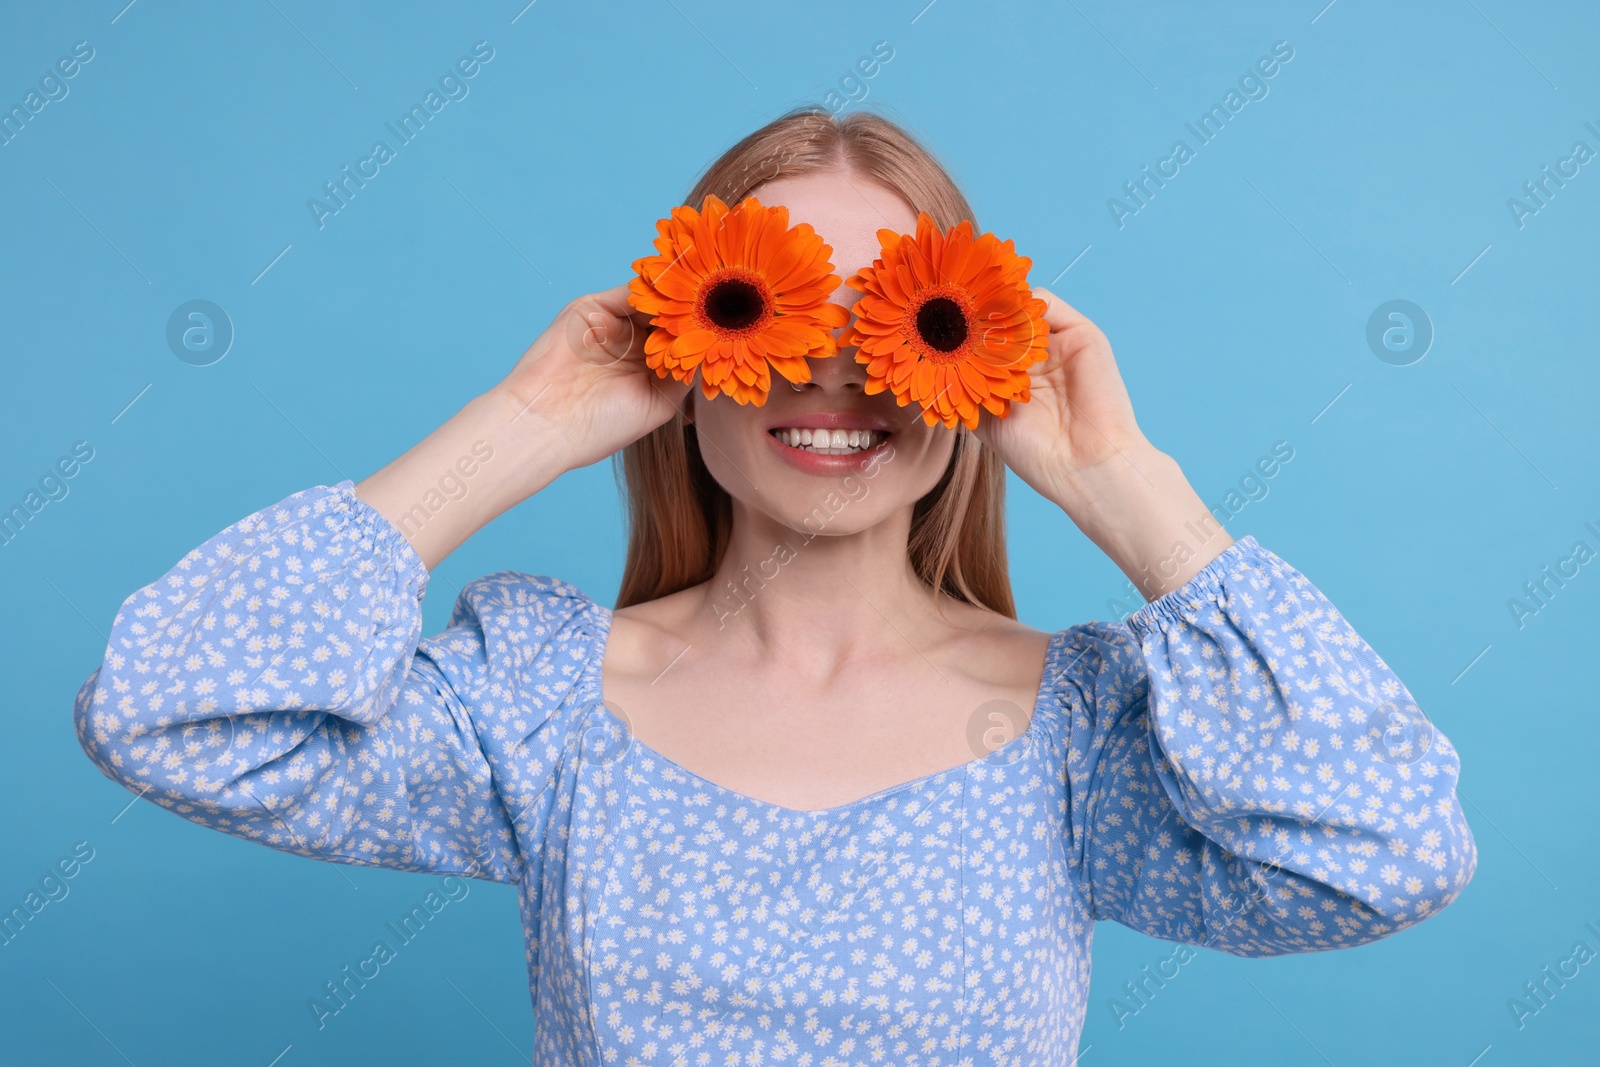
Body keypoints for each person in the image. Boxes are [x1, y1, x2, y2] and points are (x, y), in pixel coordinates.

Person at [72, 106, 1476, 1062]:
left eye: (898, 314)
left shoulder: (1079, 732)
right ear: (683, 355)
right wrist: (525, 424)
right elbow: (171, 713)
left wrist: (1127, 488)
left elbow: (1385, 851)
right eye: (770, 306)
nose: (836, 368)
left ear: (973, 354)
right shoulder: (542, 705)